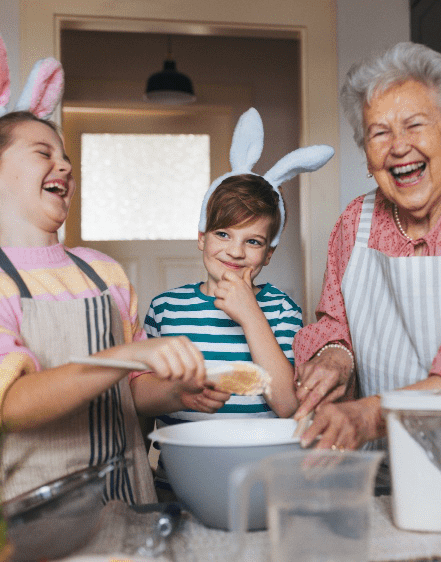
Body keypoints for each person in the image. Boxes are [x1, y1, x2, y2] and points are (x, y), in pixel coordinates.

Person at [0, 49, 205, 504]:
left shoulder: (103, 272)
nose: (66, 166)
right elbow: (11, 406)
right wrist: (127, 353)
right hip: (36, 523)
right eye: (43, 153)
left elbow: (132, 393)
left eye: (67, 157)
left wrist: (176, 395)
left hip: (127, 499)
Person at [293, 42, 441, 450]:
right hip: (382, 465)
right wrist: (335, 356)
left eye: (414, 125)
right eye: (379, 133)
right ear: (367, 155)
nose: (398, 147)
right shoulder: (354, 223)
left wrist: (368, 416)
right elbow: (336, 324)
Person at [129, 107, 330, 496]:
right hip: (181, 481)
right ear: (201, 236)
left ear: (268, 254)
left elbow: (288, 404)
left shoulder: (282, 310)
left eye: (252, 241)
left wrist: (251, 315)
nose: (235, 251)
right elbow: (138, 400)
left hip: (263, 479)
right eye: (223, 234)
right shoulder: (166, 308)